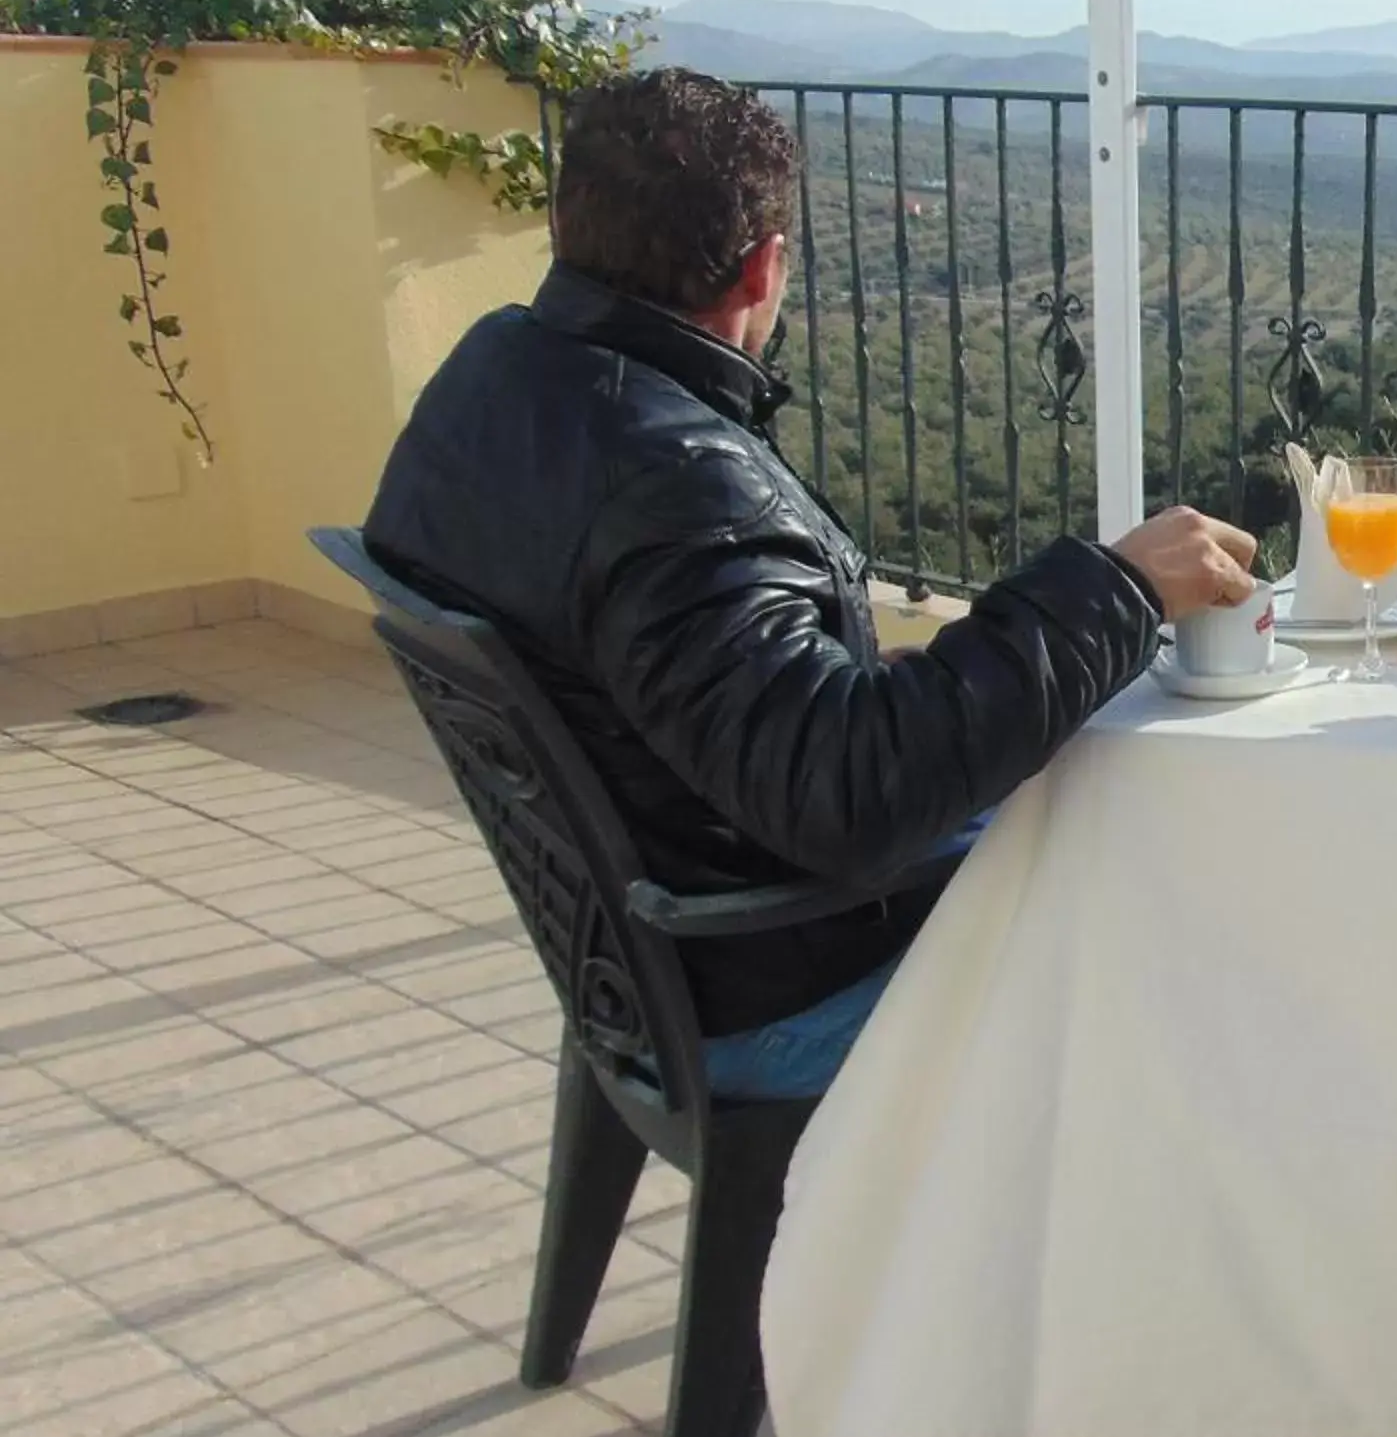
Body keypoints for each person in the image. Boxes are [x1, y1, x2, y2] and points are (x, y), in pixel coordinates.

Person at [366, 68, 1257, 1096]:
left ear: (569, 225)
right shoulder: (681, 486)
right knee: (1193, 956)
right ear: (764, 269)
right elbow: (850, 798)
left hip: (656, 948)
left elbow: (732, 697)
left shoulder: (493, 376)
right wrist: (1120, 590)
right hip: (770, 990)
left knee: (1083, 801)